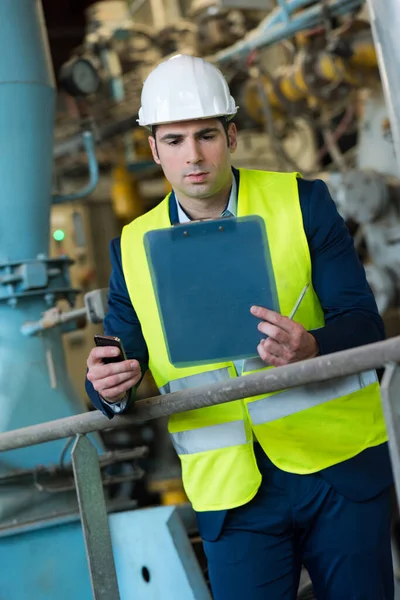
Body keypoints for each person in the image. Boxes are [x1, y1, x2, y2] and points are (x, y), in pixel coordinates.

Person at [85, 55, 394, 599]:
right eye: (174, 141)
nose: (194, 156)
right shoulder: (131, 247)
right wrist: (106, 387)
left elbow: (364, 326)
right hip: (231, 493)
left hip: (337, 471)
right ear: (153, 149)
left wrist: (313, 345)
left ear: (231, 135)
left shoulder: (303, 203)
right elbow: (120, 365)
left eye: (206, 135)